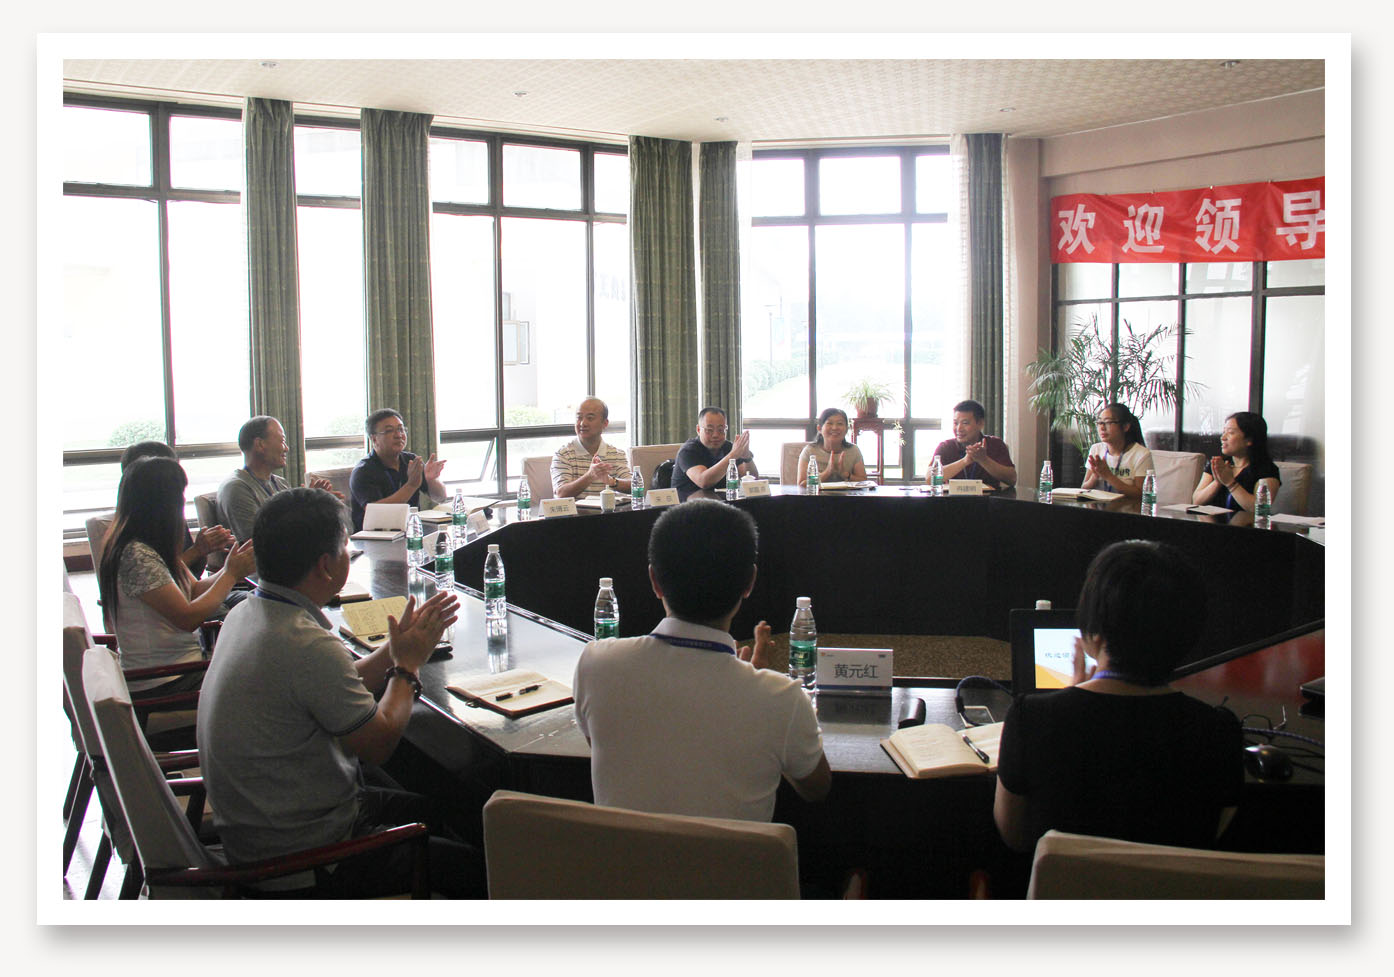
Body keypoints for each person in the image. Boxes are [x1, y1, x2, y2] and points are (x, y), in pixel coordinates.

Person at [197, 488, 486, 897]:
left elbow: (334, 682)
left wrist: (394, 649)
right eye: (345, 546)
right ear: (325, 565)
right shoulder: (305, 644)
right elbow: (380, 743)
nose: (348, 554)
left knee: (449, 808)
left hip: (267, 827)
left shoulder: (247, 612)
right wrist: (406, 667)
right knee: (475, 865)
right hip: (307, 861)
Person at [572, 500, 831, 821]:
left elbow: (607, 745)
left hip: (621, 856)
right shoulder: (782, 698)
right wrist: (759, 694)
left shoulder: (596, 665)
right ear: (750, 583)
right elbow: (817, 788)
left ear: (654, 581)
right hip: (732, 857)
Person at [993, 540, 1243, 853]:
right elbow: (1210, 839)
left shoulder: (1033, 719)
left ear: (1094, 630)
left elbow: (1014, 836)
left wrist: (1066, 700)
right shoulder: (1219, 732)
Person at [96, 457, 256, 696]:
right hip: (164, 681)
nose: (182, 502)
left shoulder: (147, 547)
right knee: (266, 676)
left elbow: (194, 590)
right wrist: (231, 574)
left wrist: (231, 568)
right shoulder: (135, 555)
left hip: (180, 671)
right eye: (179, 495)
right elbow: (187, 619)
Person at [218, 415, 343, 543]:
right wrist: (309, 509)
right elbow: (259, 543)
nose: (286, 448)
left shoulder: (280, 483)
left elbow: (294, 526)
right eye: (282, 441)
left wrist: (316, 503)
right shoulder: (237, 488)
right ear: (260, 444)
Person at [120, 440, 231, 578]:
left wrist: (231, 565)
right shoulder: (134, 540)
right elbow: (158, 576)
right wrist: (197, 551)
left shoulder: (168, 514)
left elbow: (194, 582)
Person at [348, 409, 447, 531]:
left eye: (401, 429)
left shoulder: (411, 460)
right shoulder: (363, 471)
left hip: (411, 532)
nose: (398, 435)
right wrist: (411, 486)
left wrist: (431, 480)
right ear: (374, 439)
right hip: (374, 537)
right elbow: (376, 513)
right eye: (389, 431)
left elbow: (440, 497)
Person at [1191, 411, 1282, 513]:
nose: (1223, 438)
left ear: (1249, 439)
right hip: (1211, 522)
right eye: (1224, 432)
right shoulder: (1219, 464)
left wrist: (1230, 483)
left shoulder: (1266, 470)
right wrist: (1218, 481)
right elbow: (1196, 501)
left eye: (1230, 433)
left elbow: (1261, 509)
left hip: (1245, 523)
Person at [551, 397, 633, 499]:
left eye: (590, 418)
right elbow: (561, 493)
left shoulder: (617, 454)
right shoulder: (563, 454)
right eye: (579, 418)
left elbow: (633, 487)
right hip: (576, 509)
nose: (582, 423)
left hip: (609, 509)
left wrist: (611, 481)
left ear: (605, 423)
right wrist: (589, 476)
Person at [671, 406, 759, 499]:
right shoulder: (688, 450)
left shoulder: (728, 447)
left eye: (721, 430)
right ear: (698, 430)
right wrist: (732, 456)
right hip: (690, 505)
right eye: (709, 430)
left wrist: (746, 457)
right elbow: (704, 482)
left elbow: (751, 478)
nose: (716, 435)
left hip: (722, 502)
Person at [928, 399, 1017, 489]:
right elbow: (929, 479)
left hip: (989, 497)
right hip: (953, 497)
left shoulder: (995, 444)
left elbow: (1012, 479)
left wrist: (984, 460)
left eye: (965, 423)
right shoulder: (946, 446)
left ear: (980, 424)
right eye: (956, 423)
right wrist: (965, 461)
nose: (959, 428)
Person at [1079, 402, 1155, 500]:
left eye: (1108, 422)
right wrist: (1095, 475)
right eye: (1099, 422)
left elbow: (1141, 495)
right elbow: (1083, 489)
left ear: (1125, 427)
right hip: (1097, 507)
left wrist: (1108, 476)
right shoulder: (1096, 449)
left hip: (1126, 508)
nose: (1102, 427)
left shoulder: (1142, 454)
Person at [796, 407, 866, 486]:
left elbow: (863, 481)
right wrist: (827, 473)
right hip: (817, 494)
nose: (835, 428)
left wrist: (845, 475)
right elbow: (802, 483)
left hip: (847, 494)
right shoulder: (809, 451)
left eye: (840, 424)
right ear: (819, 428)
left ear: (847, 429)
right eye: (829, 423)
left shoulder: (853, 450)